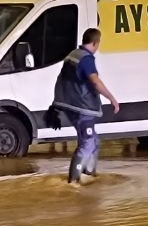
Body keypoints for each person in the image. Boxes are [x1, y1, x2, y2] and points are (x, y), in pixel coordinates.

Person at [50, 28, 118, 184]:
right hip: (82, 108)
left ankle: (89, 175)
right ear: (95, 43)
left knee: (93, 141)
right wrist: (111, 98)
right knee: (87, 142)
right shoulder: (86, 59)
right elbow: (95, 81)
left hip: (70, 105)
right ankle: (73, 181)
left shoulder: (73, 54)